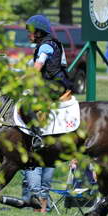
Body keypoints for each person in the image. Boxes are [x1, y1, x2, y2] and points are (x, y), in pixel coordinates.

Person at [26, 14, 73, 148]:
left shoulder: (46, 47)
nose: (28, 34)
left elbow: (36, 68)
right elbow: (28, 67)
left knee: (27, 104)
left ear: (38, 33)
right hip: (51, 84)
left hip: (56, 85)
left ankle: (38, 136)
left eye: (30, 31)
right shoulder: (42, 46)